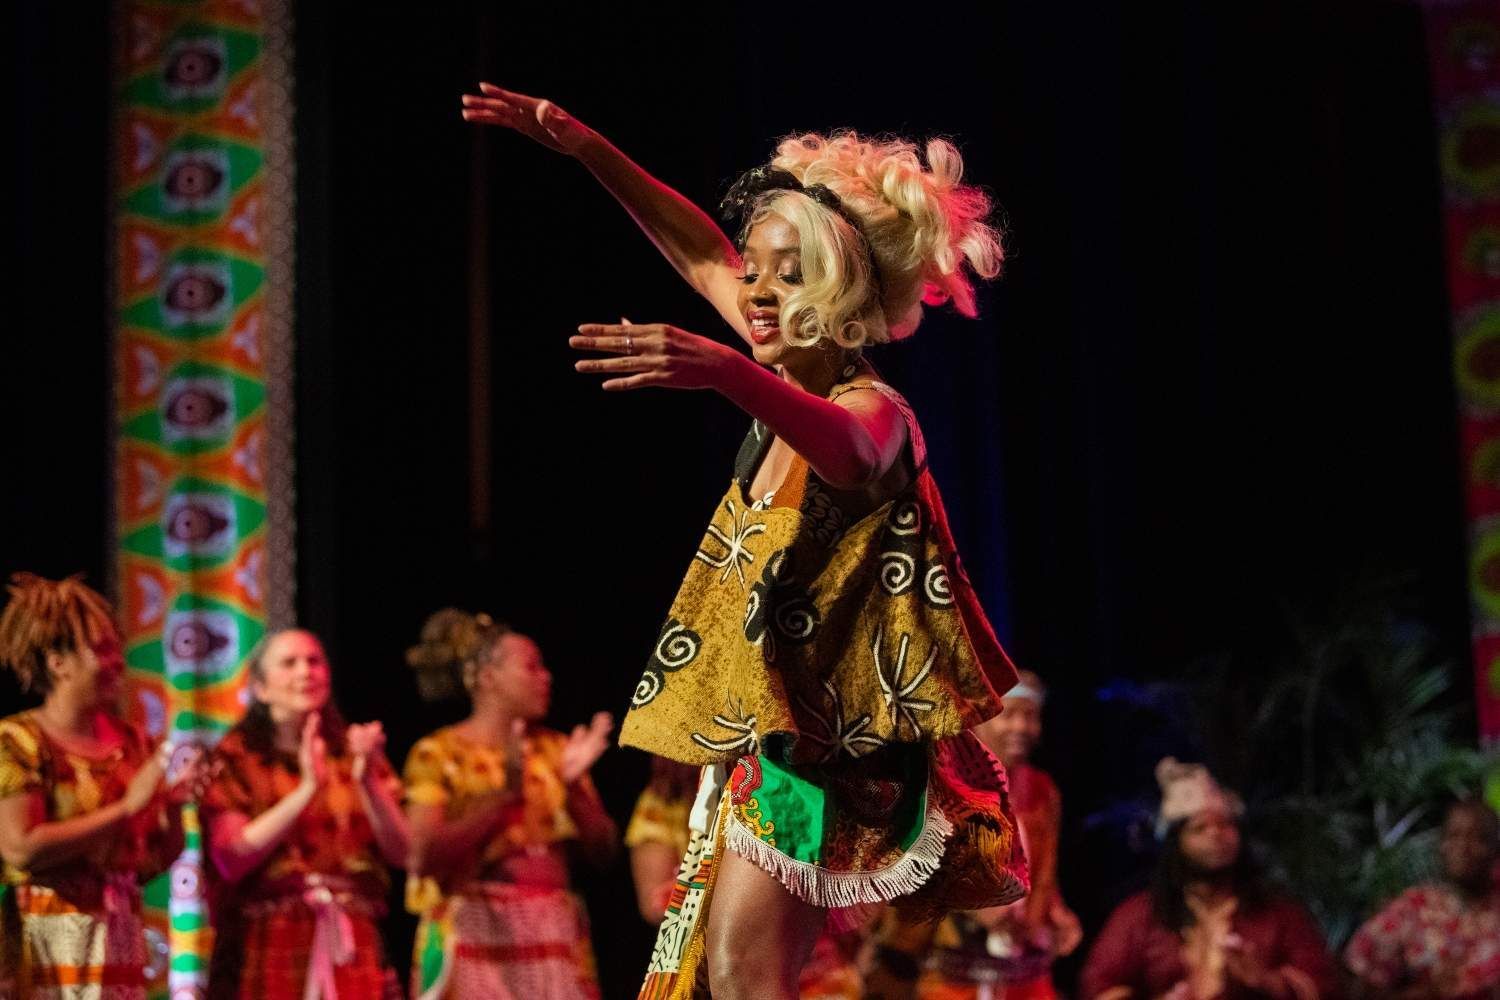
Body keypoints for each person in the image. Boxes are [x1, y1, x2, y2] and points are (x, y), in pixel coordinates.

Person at [461, 84, 1028, 1000]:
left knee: (741, 975)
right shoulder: (775, 362)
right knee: (722, 976)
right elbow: (696, 252)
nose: (757, 293)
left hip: (832, 754)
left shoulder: (873, 412)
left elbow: (847, 451)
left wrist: (727, 372)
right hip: (770, 742)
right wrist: (585, 145)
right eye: (755, 273)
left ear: (841, 291)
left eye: (788, 275)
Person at [0, 571, 203, 999]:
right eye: (101, 650)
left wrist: (173, 807)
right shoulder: (18, 740)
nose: (117, 661)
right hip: (44, 933)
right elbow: (20, 847)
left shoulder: (133, 743)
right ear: (59, 663)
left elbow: (145, 864)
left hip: (118, 930)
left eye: (117, 647)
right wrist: (129, 807)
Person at [403, 609, 617, 1000]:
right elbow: (423, 855)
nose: (545, 676)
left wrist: (573, 788)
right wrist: (503, 797)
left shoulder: (557, 749)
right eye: (531, 667)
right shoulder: (438, 752)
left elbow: (605, 853)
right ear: (488, 678)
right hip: (473, 927)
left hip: (553, 930)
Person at [201, 628, 409, 999]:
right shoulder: (236, 756)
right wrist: (306, 790)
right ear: (262, 689)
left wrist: (369, 783)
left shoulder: (351, 752)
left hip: (350, 938)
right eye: (289, 663)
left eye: (314, 661)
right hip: (268, 938)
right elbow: (230, 856)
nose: (305, 672)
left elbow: (404, 853)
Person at [867, 671, 1081, 1000]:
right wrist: (972, 900)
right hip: (940, 968)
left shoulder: (1041, 791)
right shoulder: (942, 780)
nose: (1021, 727)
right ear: (977, 720)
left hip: (1017, 967)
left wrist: (1055, 910)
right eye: (1009, 715)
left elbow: (1043, 872)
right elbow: (902, 865)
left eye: (1031, 716)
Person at [1079, 759, 1336, 1000]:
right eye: (1200, 828)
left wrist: (1265, 980)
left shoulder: (1280, 914)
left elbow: (1325, 986)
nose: (1216, 835)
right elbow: (1097, 986)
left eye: (1225, 825)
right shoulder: (1140, 915)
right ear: (1176, 844)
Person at [626, 755, 870, 1000]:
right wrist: (701, 887)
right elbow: (653, 902)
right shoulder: (667, 797)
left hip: (815, 968)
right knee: (732, 971)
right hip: (712, 963)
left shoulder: (789, 784)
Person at [1344, 798, 1500, 1000]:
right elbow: (1357, 979)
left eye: (1478, 838)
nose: (1463, 847)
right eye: (1454, 835)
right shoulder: (1413, 908)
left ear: (1496, 848)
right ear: (1441, 845)